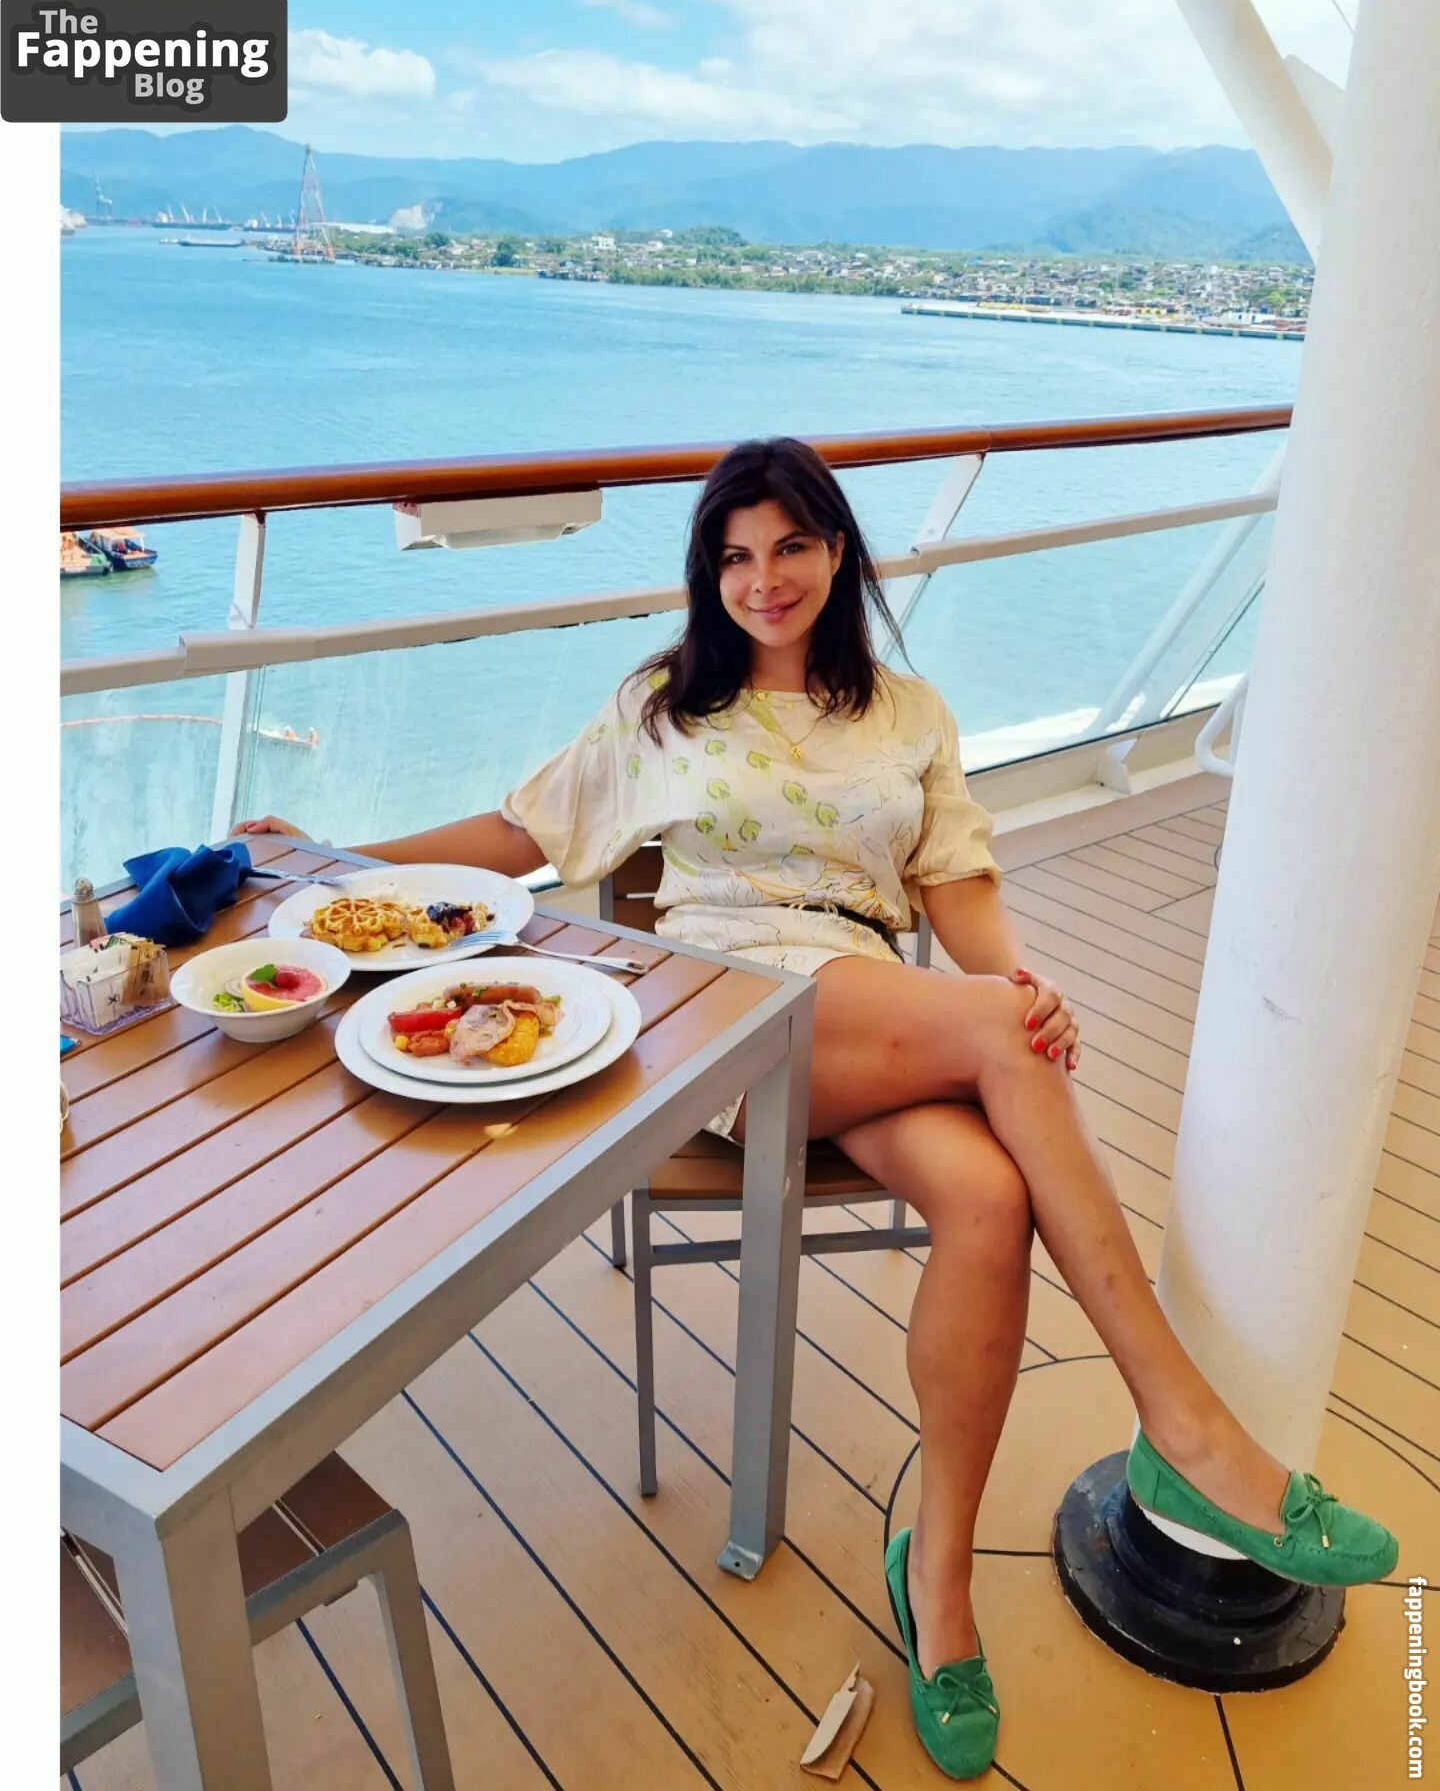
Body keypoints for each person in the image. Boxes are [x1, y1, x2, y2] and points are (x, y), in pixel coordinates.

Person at [238, 437, 1397, 1780]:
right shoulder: (665, 706)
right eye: (735, 556)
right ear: (709, 573)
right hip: (724, 1019)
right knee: (1001, 1036)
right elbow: (516, 836)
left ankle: (938, 1581)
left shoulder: (908, 715)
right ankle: (1183, 1426)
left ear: (838, 550)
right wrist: (321, 855)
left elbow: (955, 883)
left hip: (865, 1015)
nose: (763, 579)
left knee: (989, 1192)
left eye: (790, 545)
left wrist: (1021, 980)